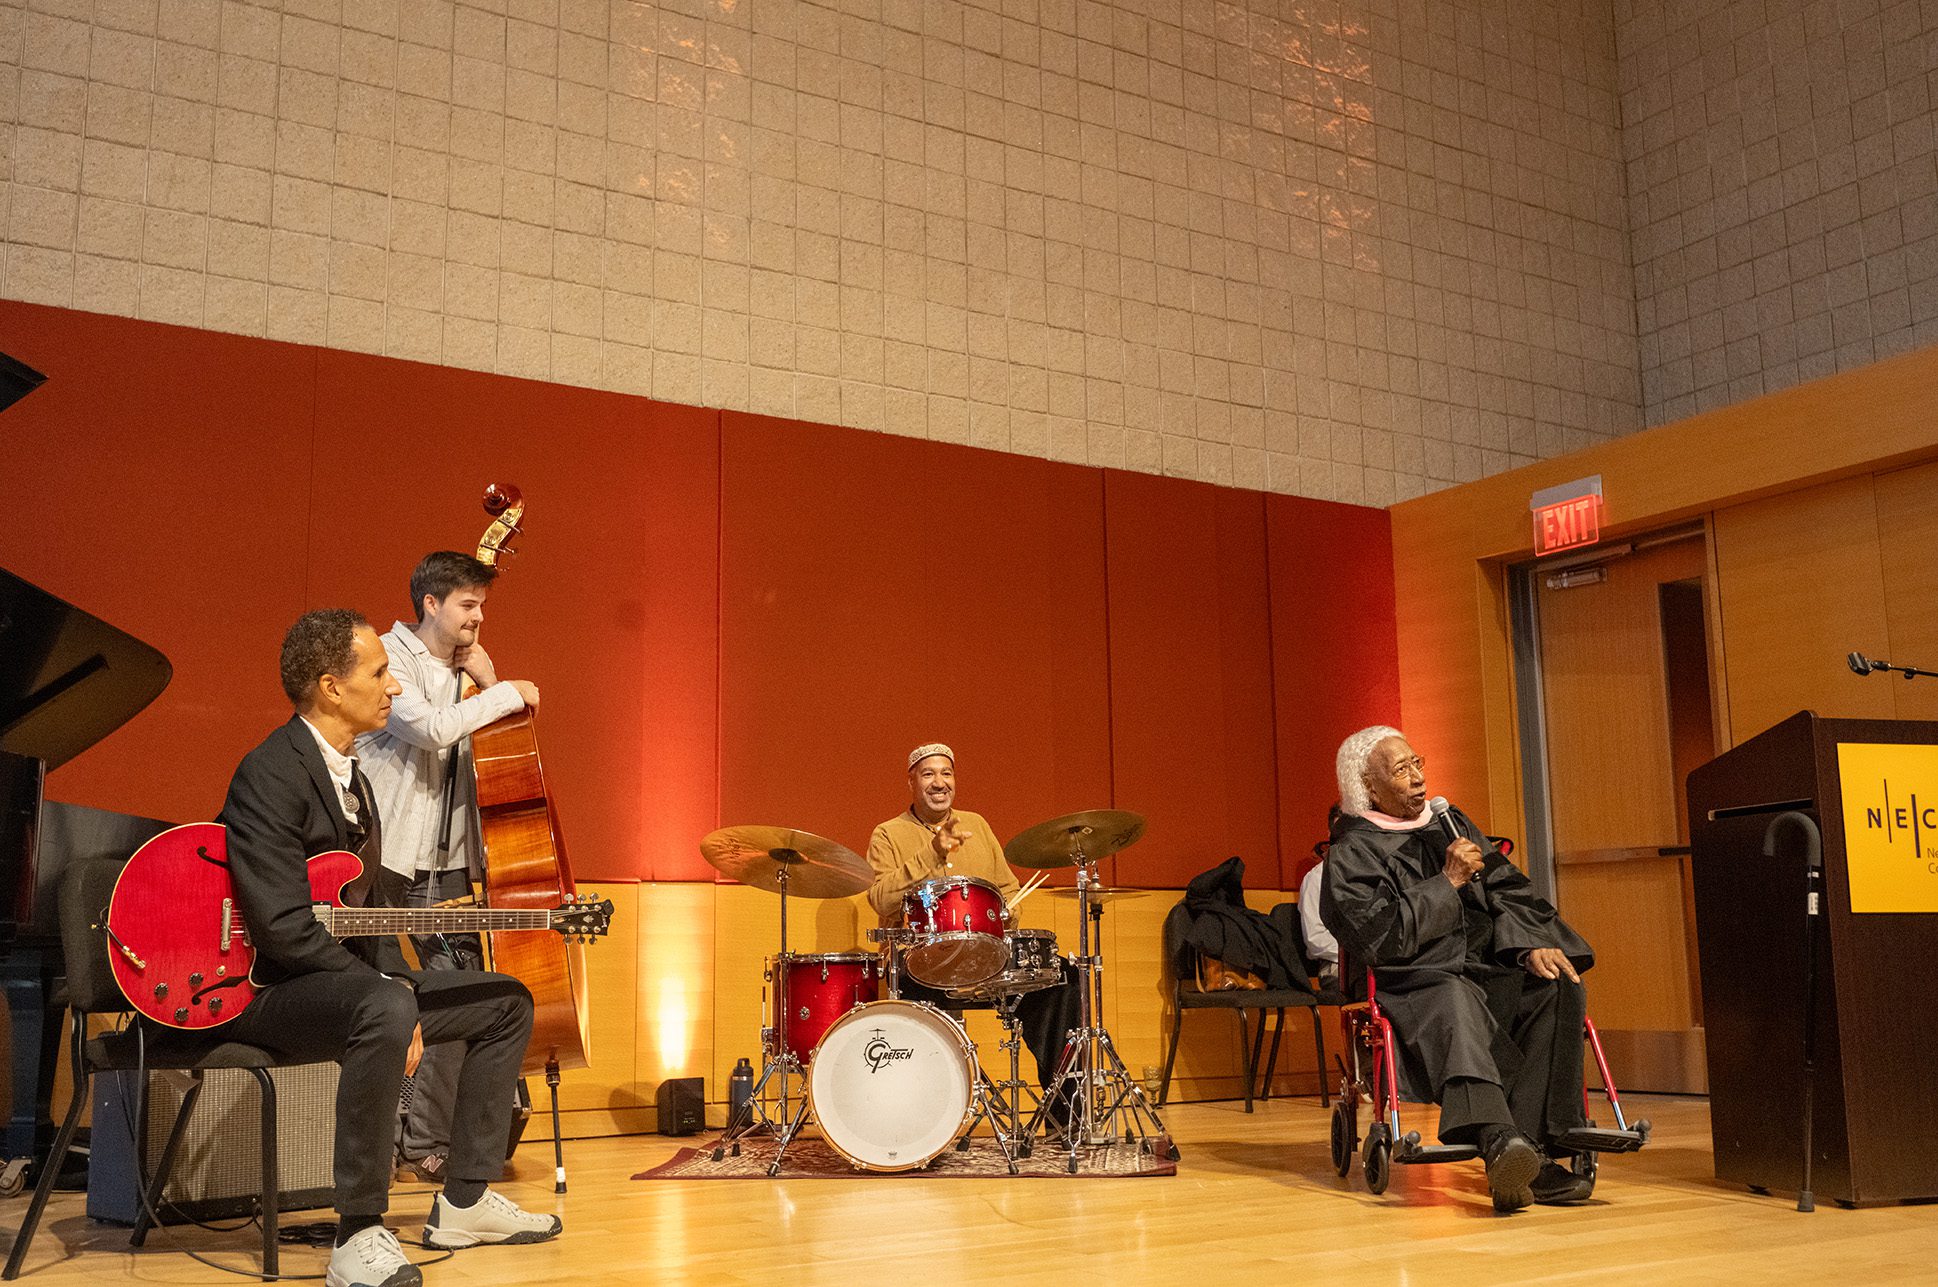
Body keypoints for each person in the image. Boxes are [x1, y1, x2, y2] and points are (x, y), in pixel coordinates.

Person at [219, 609, 560, 1287]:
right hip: (266, 992)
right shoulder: (269, 772)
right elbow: (284, 928)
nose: (395, 687)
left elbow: (364, 918)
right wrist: (390, 992)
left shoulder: (358, 781)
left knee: (504, 1001)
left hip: (344, 982)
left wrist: (396, 981)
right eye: (379, 673)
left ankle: (462, 1199)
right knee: (384, 1005)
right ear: (330, 687)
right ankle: (357, 1231)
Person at [1319, 725, 1596, 1213]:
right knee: (1454, 995)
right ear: (1368, 786)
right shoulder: (1352, 853)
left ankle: (1535, 1152)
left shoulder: (1450, 824)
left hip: (1487, 966)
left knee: (1557, 985)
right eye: (1400, 770)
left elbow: (1507, 889)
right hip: (1416, 980)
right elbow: (1381, 937)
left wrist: (1530, 945)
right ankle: (1498, 1141)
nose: (1418, 779)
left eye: (1417, 763)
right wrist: (1446, 882)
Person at [355, 552, 540, 1183]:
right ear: (431, 604)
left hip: (451, 863)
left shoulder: (466, 673)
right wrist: (508, 692)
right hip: (383, 859)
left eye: (482, 605)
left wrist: (489, 686)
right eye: (468, 605)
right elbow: (431, 730)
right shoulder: (386, 658)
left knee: (465, 997)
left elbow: (480, 743)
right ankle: (370, 1152)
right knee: (375, 1001)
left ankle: (427, 1142)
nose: (478, 617)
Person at [865, 744, 1080, 1100]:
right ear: (911, 782)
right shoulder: (887, 834)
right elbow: (881, 899)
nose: (939, 783)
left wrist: (1009, 911)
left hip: (986, 960)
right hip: (920, 965)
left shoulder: (977, 824)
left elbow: (1009, 888)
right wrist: (932, 852)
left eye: (946, 774)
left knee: (1063, 980)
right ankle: (931, 1109)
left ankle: (1064, 1111)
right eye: (928, 774)